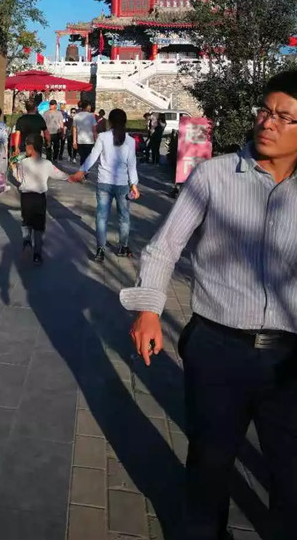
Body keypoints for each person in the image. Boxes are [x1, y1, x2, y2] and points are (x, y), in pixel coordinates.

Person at [123, 70, 297, 540]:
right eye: (265, 111)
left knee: (290, 473)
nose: (268, 122)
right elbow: (164, 247)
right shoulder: (214, 175)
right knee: (209, 466)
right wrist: (148, 310)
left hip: (290, 358)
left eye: (285, 117)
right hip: (219, 347)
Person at [71, 108, 139, 262]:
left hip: (104, 182)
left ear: (110, 122)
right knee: (124, 217)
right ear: (125, 122)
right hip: (122, 184)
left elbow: (93, 156)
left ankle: (100, 250)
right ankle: (123, 247)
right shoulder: (130, 141)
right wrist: (134, 184)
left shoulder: (102, 137)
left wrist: (82, 171)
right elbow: (131, 165)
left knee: (102, 217)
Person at [13, 133, 72, 266]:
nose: (25, 148)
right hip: (39, 198)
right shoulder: (47, 163)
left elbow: (18, 178)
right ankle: (37, 255)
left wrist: (14, 166)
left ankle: (27, 242)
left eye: (26, 146)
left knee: (26, 222)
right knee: (39, 227)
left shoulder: (23, 162)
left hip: (26, 197)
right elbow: (58, 174)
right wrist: (70, 177)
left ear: (30, 147)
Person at [73, 100, 97, 164]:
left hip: (80, 140)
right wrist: (96, 139)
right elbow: (94, 129)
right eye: (89, 106)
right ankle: (85, 168)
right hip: (89, 140)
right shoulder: (91, 116)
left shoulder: (76, 116)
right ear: (87, 107)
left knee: (82, 157)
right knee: (87, 157)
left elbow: (74, 129)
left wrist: (74, 141)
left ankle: (83, 167)